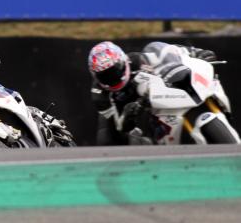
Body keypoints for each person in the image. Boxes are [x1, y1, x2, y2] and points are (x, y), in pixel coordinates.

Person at [88, 41, 217, 145]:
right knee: (107, 141)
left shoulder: (137, 60)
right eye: (105, 76)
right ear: (96, 76)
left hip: (158, 96)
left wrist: (196, 52)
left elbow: (170, 51)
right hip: (127, 111)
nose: (112, 77)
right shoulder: (99, 94)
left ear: (123, 60)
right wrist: (126, 118)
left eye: (115, 70)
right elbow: (116, 127)